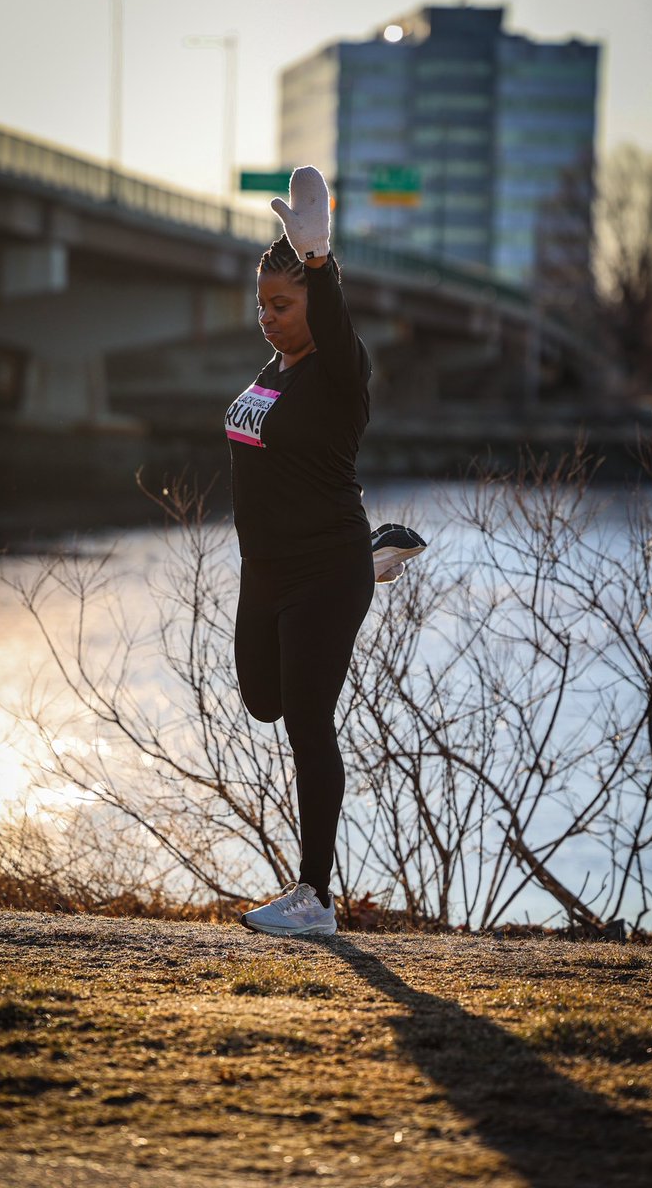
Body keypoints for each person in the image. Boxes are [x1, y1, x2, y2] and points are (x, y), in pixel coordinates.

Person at [225, 167, 427, 937]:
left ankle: (314, 897)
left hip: (321, 570)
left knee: (309, 718)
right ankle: (375, 560)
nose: (268, 319)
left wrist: (318, 259)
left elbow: (335, 326)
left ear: (315, 304)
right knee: (262, 701)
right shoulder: (270, 372)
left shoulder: (343, 372)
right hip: (265, 572)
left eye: (282, 306)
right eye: (260, 306)